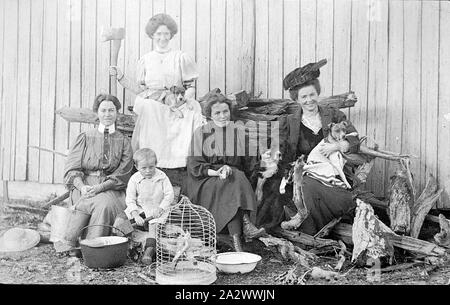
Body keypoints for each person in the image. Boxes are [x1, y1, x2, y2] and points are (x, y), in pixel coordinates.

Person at [256, 59, 364, 235]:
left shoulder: (333, 115)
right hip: (300, 173)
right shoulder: (289, 122)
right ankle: (308, 233)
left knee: (308, 187)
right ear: (297, 100)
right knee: (295, 186)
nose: (309, 100)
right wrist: (273, 159)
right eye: (303, 97)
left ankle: (309, 232)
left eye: (312, 95)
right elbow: (278, 147)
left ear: (318, 93)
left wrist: (337, 145)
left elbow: (354, 140)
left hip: (331, 176)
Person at [109, 13, 204, 186]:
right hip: (153, 102)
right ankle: (152, 163)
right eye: (158, 34)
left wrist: (184, 100)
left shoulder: (180, 57)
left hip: (177, 101)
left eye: (166, 34)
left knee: (191, 112)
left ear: (171, 35)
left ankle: (178, 164)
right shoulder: (146, 59)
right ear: (152, 35)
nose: (162, 38)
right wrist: (121, 77)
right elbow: (141, 90)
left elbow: (190, 86)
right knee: (150, 108)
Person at [185, 93, 266, 252]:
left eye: (225, 112)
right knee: (235, 179)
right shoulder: (201, 133)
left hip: (231, 179)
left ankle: (237, 244)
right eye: (217, 113)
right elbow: (194, 166)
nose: (222, 116)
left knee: (236, 178)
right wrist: (218, 172)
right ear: (209, 115)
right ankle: (245, 226)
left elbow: (249, 164)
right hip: (204, 180)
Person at [64, 94, 134, 239]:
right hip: (85, 185)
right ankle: (75, 244)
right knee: (91, 203)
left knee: (105, 205)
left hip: (110, 187)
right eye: (103, 110)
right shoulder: (85, 136)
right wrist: (82, 187)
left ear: (117, 113)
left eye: (111, 110)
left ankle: (93, 246)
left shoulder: (123, 141)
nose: (107, 114)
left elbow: (123, 173)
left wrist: (100, 188)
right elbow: (72, 168)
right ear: (97, 112)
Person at [124, 148, 175, 264]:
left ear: (156, 164)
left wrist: (161, 208)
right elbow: (130, 199)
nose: (148, 171)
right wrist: (135, 214)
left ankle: (149, 251)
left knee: (154, 225)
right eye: (144, 168)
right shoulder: (134, 179)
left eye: (151, 167)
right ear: (137, 167)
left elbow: (169, 195)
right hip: (141, 208)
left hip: (157, 209)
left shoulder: (162, 177)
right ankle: (131, 243)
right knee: (124, 222)